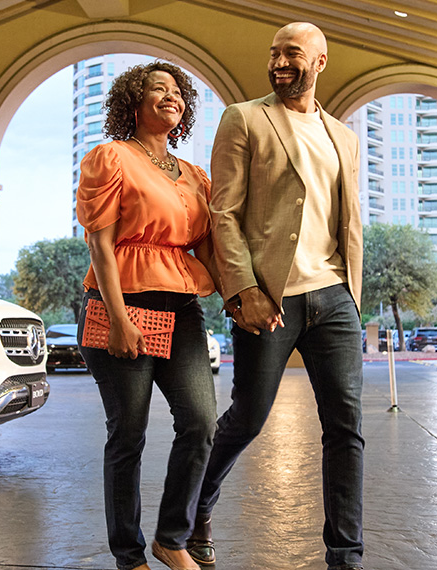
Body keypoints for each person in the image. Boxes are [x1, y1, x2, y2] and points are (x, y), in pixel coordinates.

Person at [191, 22, 366, 570]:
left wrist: (353, 296)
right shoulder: (245, 118)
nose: (279, 62)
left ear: (319, 61)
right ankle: (194, 516)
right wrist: (243, 289)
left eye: (292, 53)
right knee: (247, 417)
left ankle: (346, 555)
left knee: (346, 426)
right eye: (274, 53)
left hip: (334, 296)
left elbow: (347, 219)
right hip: (270, 297)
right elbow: (223, 211)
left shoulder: (345, 136)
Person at [76, 61, 221, 570]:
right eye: (158, 89)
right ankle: (128, 555)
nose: (171, 96)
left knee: (201, 423)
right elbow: (100, 243)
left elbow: (206, 249)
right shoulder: (112, 158)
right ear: (133, 102)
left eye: (178, 92)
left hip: (181, 307)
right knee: (128, 434)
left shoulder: (194, 175)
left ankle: (171, 538)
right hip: (122, 305)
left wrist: (246, 296)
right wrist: (118, 318)